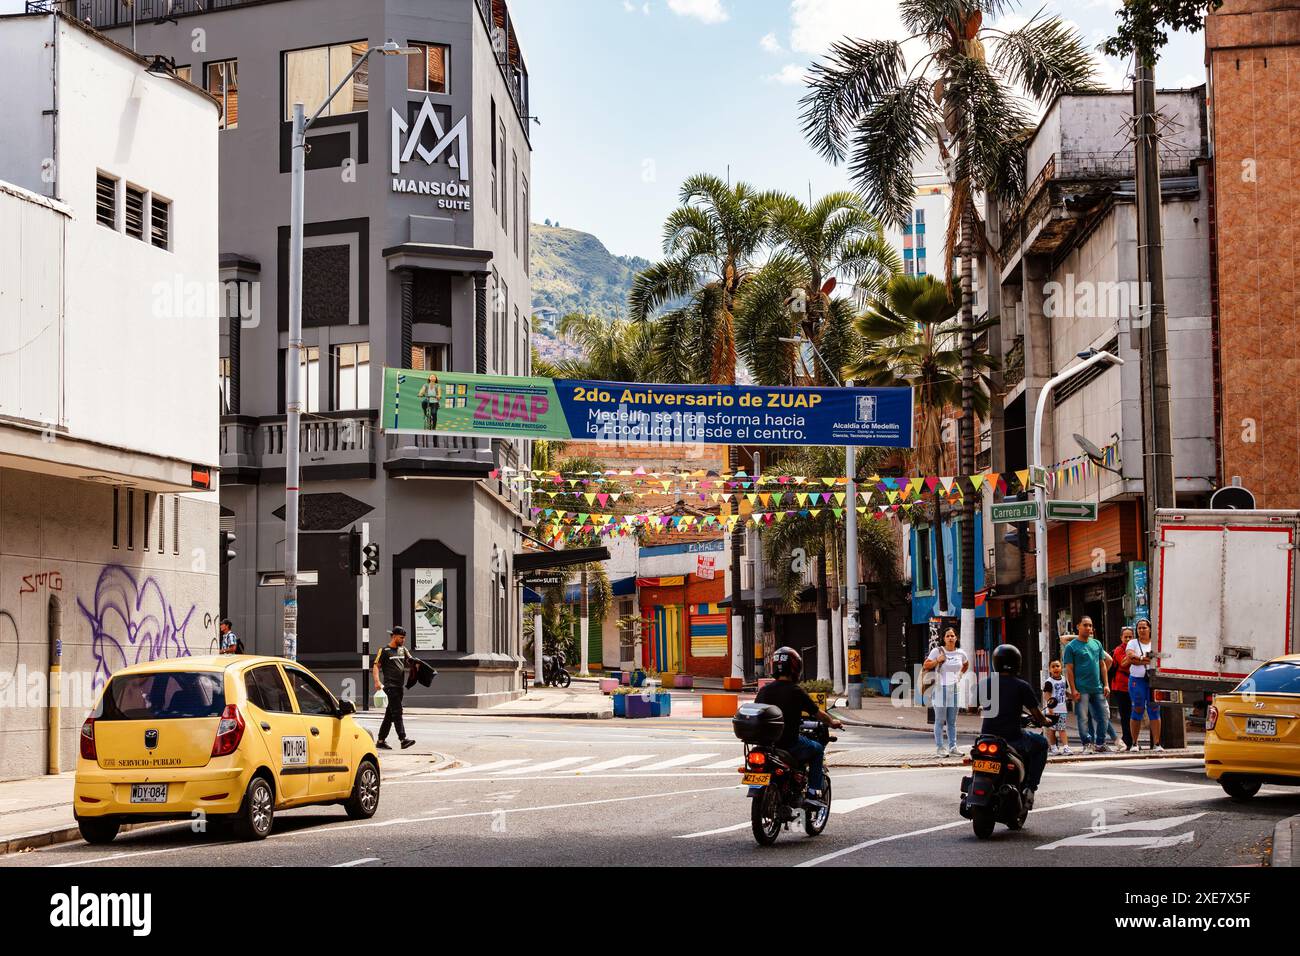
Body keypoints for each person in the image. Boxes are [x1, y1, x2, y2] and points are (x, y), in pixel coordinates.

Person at [754, 646, 842, 806]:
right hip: (790, 744)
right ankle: (812, 794)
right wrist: (833, 722)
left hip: (766, 745)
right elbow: (818, 713)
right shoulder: (796, 691)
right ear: (795, 668)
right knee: (817, 750)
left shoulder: (764, 691)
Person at [979, 643, 1052, 793]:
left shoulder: (985, 683)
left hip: (986, 737)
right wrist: (1045, 721)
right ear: (1017, 663)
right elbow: (1036, 713)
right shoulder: (1022, 686)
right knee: (1042, 743)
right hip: (1012, 738)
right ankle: (1030, 787)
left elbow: (972, 707)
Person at [1063, 616, 1112, 753]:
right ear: (1078, 626)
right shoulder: (1071, 647)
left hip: (1097, 688)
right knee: (1083, 718)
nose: (1088, 628)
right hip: (1081, 689)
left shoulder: (1096, 643)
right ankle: (1087, 744)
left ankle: (1100, 743)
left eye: (1090, 625)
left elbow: (1102, 665)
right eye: (1085, 625)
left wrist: (1106, 684)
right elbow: (1069, 670)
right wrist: (1073, 689)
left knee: (1104, 716)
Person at [923, 627, 969, 757]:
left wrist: (960, 674)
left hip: (954, 688)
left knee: (952, 721)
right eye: (947, 636)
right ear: (944, 638)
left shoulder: (961, 653)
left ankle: (953, 747)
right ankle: (940, 748)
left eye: (952, 636)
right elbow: (926, 665)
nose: (950, 638)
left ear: (956, 638)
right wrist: (938, 660)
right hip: (939, 688)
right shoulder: (937, 651)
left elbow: (966, 664)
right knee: (939, 720)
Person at [372, 626, 416, 750]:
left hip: (399, 687)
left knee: (389, 715)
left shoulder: (403, 650)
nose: (403, 640)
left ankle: (380, 740)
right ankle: (403, 739)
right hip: (390, 687)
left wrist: (416, 665)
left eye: (404, 638)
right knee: (397, 712)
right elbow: (376, 666)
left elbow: (410, 661)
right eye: (401, 638)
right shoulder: (384, 650)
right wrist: (377, 681)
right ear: (394, 636)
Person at [1126, 618, 1164, 752]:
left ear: (1150, 629)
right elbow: (1131, 659)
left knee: (1154, 710)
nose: (1141, 630)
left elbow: (1161, 658)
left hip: (1153, 681)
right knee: (1137, 709)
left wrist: (1140, 658)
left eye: (1144, 627)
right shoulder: (1132, 643)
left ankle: (1157, 744)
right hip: (1137, 680)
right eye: (1139, 628)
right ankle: (1135, 743)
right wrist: (1148, 659)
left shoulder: (1156, 643)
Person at [1111, 626, 1135, 751]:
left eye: (1130, 637)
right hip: (1120, 686)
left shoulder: (1135, 648)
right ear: (1121, 638)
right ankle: (1127, 740)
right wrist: (1135, 657)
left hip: (1134, 685)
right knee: (1125, 715)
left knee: (1134, 715)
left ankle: (1133, 740)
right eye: (1125, 637)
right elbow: (1124, 663)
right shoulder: (1118, 650)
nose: (1127, 639)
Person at [1043, 659, 1071, 756]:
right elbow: (1047, 696)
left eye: (1057, 666)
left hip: (1062, 709)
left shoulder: (1064, 679)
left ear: (1061, 668)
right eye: (1053, 666)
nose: (1056, 668)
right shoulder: (1049, 682)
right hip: (1052, 710)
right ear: (1050, 669)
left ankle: (1066, 748)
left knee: (1062, 729)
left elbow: (1065, 693)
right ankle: (1053, 747)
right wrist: (1050, 709)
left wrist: (1072, 696)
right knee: (1052, 730)